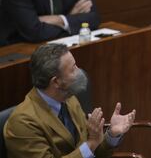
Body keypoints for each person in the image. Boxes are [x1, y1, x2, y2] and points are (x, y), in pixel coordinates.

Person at [3, 43, 136, 158]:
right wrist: (91, 144)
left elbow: (92, 153)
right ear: (56, 81)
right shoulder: (22, 123)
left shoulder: (70, 99)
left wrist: (112, 135)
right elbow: (89, 147)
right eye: (73, 69)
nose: (79, 72)